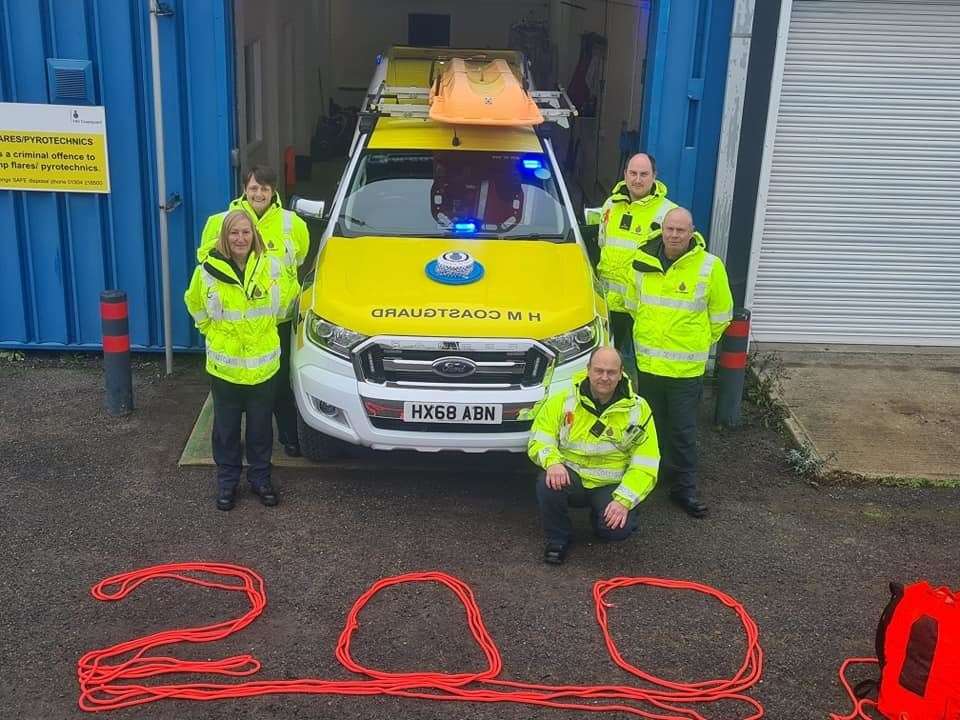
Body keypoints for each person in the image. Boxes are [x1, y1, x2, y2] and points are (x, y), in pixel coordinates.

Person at [185, 210, 297, 511]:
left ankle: (261, 480)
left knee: (261, 429)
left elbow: (288, 300)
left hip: (263, 367)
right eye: (234, 232)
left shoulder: (272, 267)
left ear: (254, 235)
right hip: (226, 369)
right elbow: (194, 302)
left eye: (246, 232)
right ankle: (227, 482)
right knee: (226, 430)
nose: (240, 238)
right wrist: (208, 330)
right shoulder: (207, 270)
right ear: (224, 236)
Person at [625, 207, 733, 519]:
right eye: (670, 229)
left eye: (681, 231)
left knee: (683, 432)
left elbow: (722, 315)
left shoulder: (709, 266)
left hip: (686, 369)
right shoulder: (642, 260)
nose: (674, 235)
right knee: (649, 427)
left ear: (692, 232)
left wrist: (698, 342)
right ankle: (648, 479)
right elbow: (634, 305)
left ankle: (684, 488)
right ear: (662, 229)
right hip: (649, 366)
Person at [198, 166, 310, 457]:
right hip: (235, 324)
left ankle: (288, 437)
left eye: (265, 188)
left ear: (273, 191)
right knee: (234, 389)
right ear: (244, 190)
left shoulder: (291, 223)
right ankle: (237, 447)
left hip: (278, 320)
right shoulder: (221, 222)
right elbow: (206, 268)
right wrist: (209, 325)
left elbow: (299, 259)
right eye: (253, 187)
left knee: (280, 384)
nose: (259, 193)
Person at [527, 346, 660, 565]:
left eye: (611, 372)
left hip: (610, 485)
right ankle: (558, 538)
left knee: (615, 532)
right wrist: (553, 463)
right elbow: (539, 438)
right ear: (588, 370)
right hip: (572, 478)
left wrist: (624, 501)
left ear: (620, 373)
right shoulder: (563, 400)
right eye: (599, 370)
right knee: (547, 482)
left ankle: (607, 515)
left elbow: (646, 463)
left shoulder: (638, 409)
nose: (604, 377)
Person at [584, 153, 676, 373]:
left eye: (644, 174)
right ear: (625, 175)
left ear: (655, 176)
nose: (637, 179)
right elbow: (601, 244)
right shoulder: (610, 205)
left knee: (636, 369)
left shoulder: (668, 212)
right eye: (633, 173)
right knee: (605, 369)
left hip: (641, 307)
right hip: (606, 305)